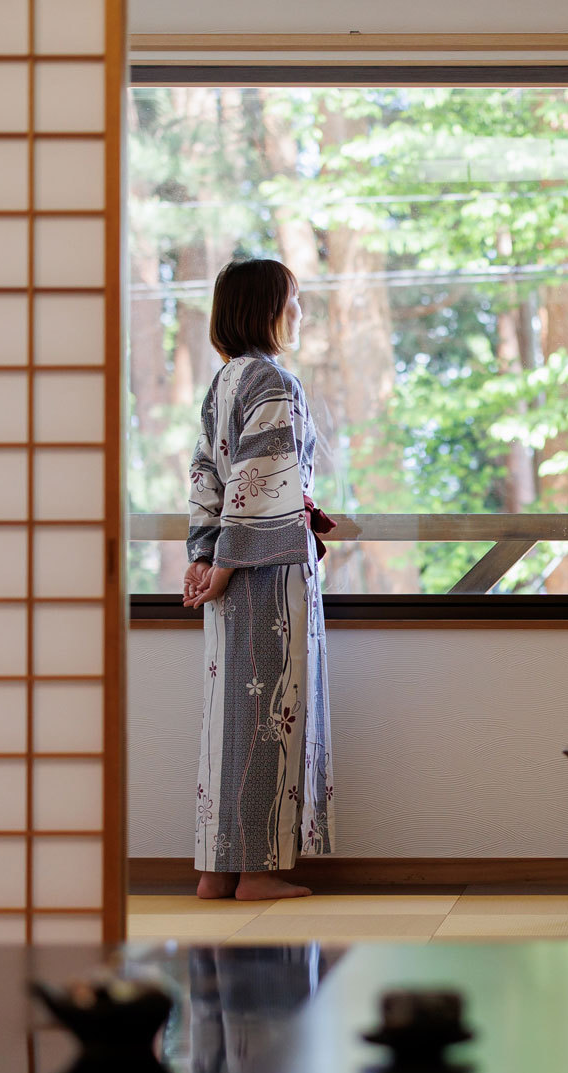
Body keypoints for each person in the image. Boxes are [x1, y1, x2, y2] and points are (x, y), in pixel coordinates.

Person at [183, 258, 334, 900]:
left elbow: (206, 478)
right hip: (265, 574)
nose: (298, 313)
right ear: (266, 309)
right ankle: (256, 873)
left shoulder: (223, 382)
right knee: (273, 713)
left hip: (231, 568)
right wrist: (223, 567)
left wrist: (203, 553)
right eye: (292, 301)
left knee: (231, 721)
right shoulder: (273, 381)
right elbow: (260, 485)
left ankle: (216, 871)